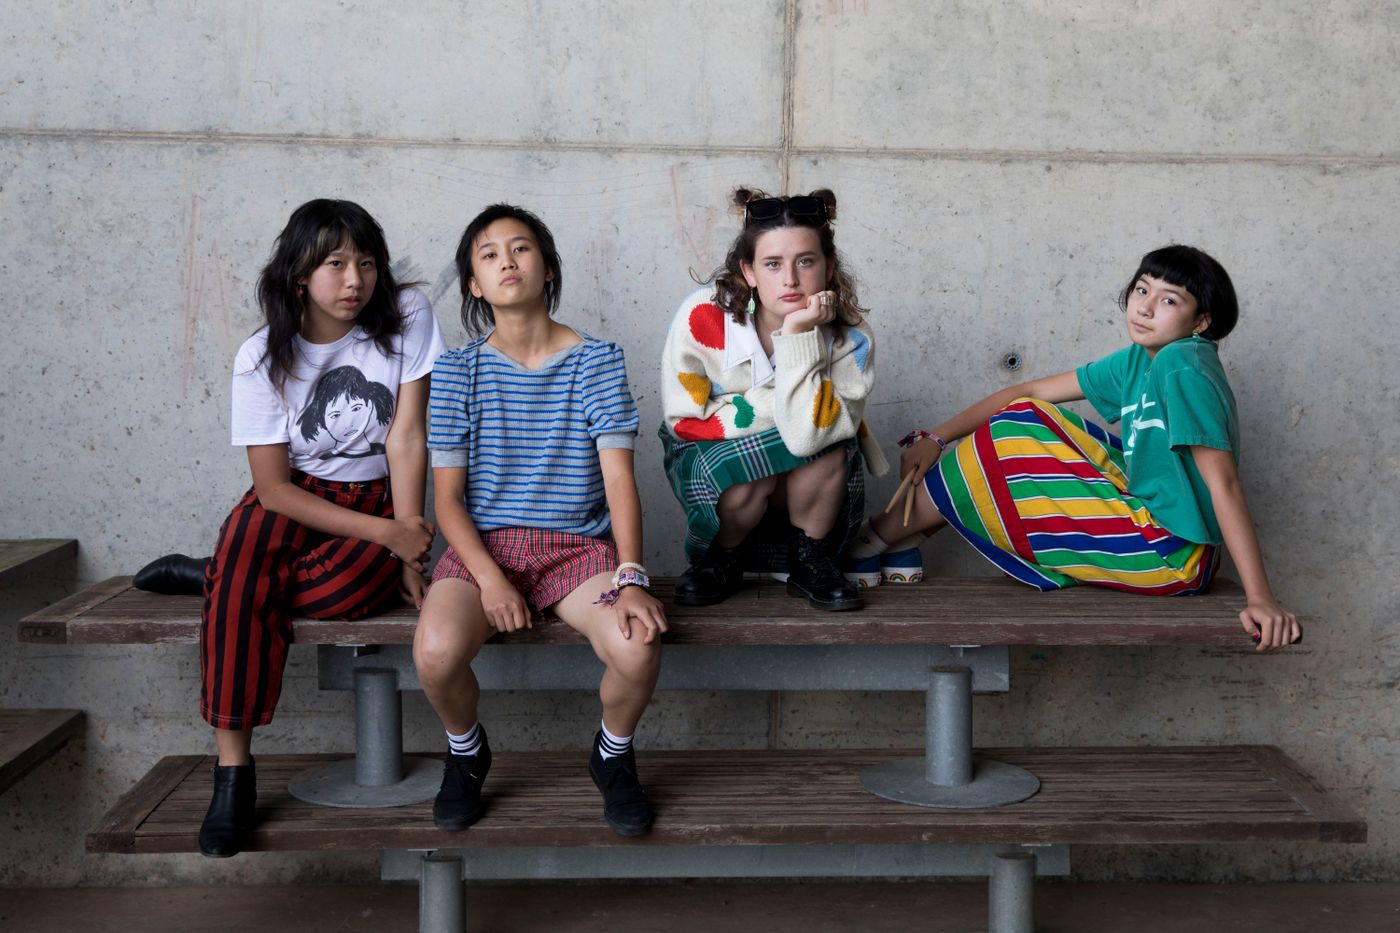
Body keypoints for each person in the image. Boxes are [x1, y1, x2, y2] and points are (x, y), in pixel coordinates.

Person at [133, 199, 444, 856]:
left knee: (339, 596)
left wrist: (407, 540)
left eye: (365, 262)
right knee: (248, 561)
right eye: (335, 264)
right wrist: (388, 539)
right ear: (300, 273)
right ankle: (233, 773)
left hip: (376, 496)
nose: (354, 279)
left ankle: (214, 578)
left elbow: (408, 435)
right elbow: (272, 490)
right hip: (292, 498)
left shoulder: (408, 315)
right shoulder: (261, 355)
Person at [848, 245, 1302, 650]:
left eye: (1169, 301)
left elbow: (1223, 483)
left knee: (1012, 432)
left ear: (1200, 323)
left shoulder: (1183, 366)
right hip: (1151, 527)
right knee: (1030, 416)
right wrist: (936, 437)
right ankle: (899, 540)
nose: (1145, 308)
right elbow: (1031, 390)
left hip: (1173, 555)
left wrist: (1259, 598)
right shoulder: (1140, 360)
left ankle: (880, 536)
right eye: (1142, 290)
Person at [413, 204, 666, 837]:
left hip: (577, 551)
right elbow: (448, 501)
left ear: (547, 268)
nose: (507, 262)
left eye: (521, 249)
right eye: (489, 254)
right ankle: (467, 753)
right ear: (473, 282)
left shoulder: (598, 361)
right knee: (436, 653)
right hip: (482, 550)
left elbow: (618, 481)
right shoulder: (456, 371)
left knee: (637, 648)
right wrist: (491, 579)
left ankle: (612, 757)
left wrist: (631, 573)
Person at [659, 187, 888, 611]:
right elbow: (687, 418)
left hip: (810, 467)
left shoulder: (850, 336)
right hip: (721, 463)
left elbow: (810, 437)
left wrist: (798, 335)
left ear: (828, 267)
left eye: (805, 261)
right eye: (772, 264)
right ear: (748, 272)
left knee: (829, 451)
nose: (790, 279)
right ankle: (720, 559)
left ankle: (811, 558)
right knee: (755, 464)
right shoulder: (701, 317)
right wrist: (782, 410)